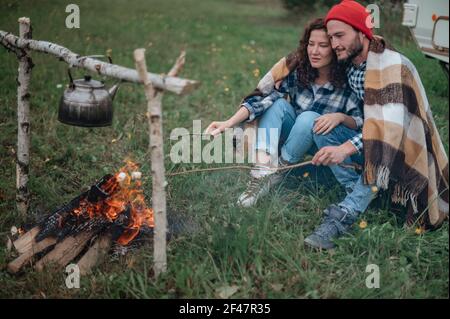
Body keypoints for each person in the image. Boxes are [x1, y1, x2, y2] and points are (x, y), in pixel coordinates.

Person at [303, 0, 449, 249]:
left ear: (362, 32)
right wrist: (340, 119)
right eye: (331, 37)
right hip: (374, 140)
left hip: (402, 151)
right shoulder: (353, 67)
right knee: (321, 127)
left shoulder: (393, 65)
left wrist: (346, 148)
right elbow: (369, 117)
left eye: (340, 35)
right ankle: (363, 192)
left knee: (379, 151)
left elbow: (390, 129)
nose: (335, 44)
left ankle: (343, 216)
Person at [205, 18, 364, 208]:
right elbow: (263, 99)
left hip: (327, 142)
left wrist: (340, 117)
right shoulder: (300, 72)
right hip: (297, 135)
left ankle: (279, 170)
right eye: (311, 44)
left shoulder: (348, 80)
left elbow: (361, 120)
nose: (314, 51)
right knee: (277, 104)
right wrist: (228, 123)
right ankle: (261, 173)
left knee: (309, 118)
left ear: (334, 48)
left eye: (322, 45)